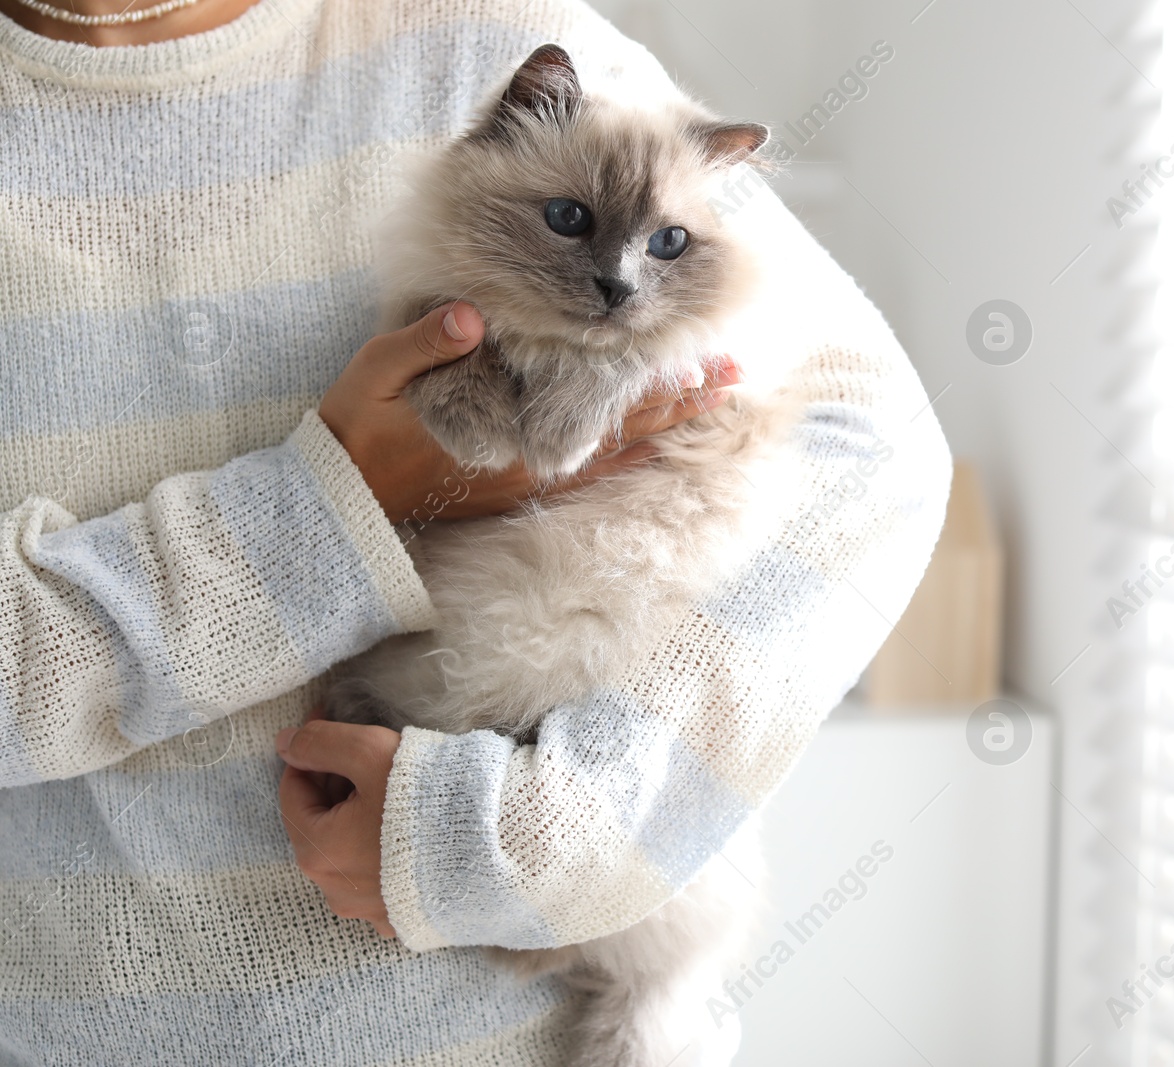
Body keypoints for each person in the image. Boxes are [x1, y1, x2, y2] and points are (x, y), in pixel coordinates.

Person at [0, 0, 950, 1062]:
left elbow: (876, 451)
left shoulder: (484, 31)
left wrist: (539, 840)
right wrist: (338, 504)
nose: (616, 279)